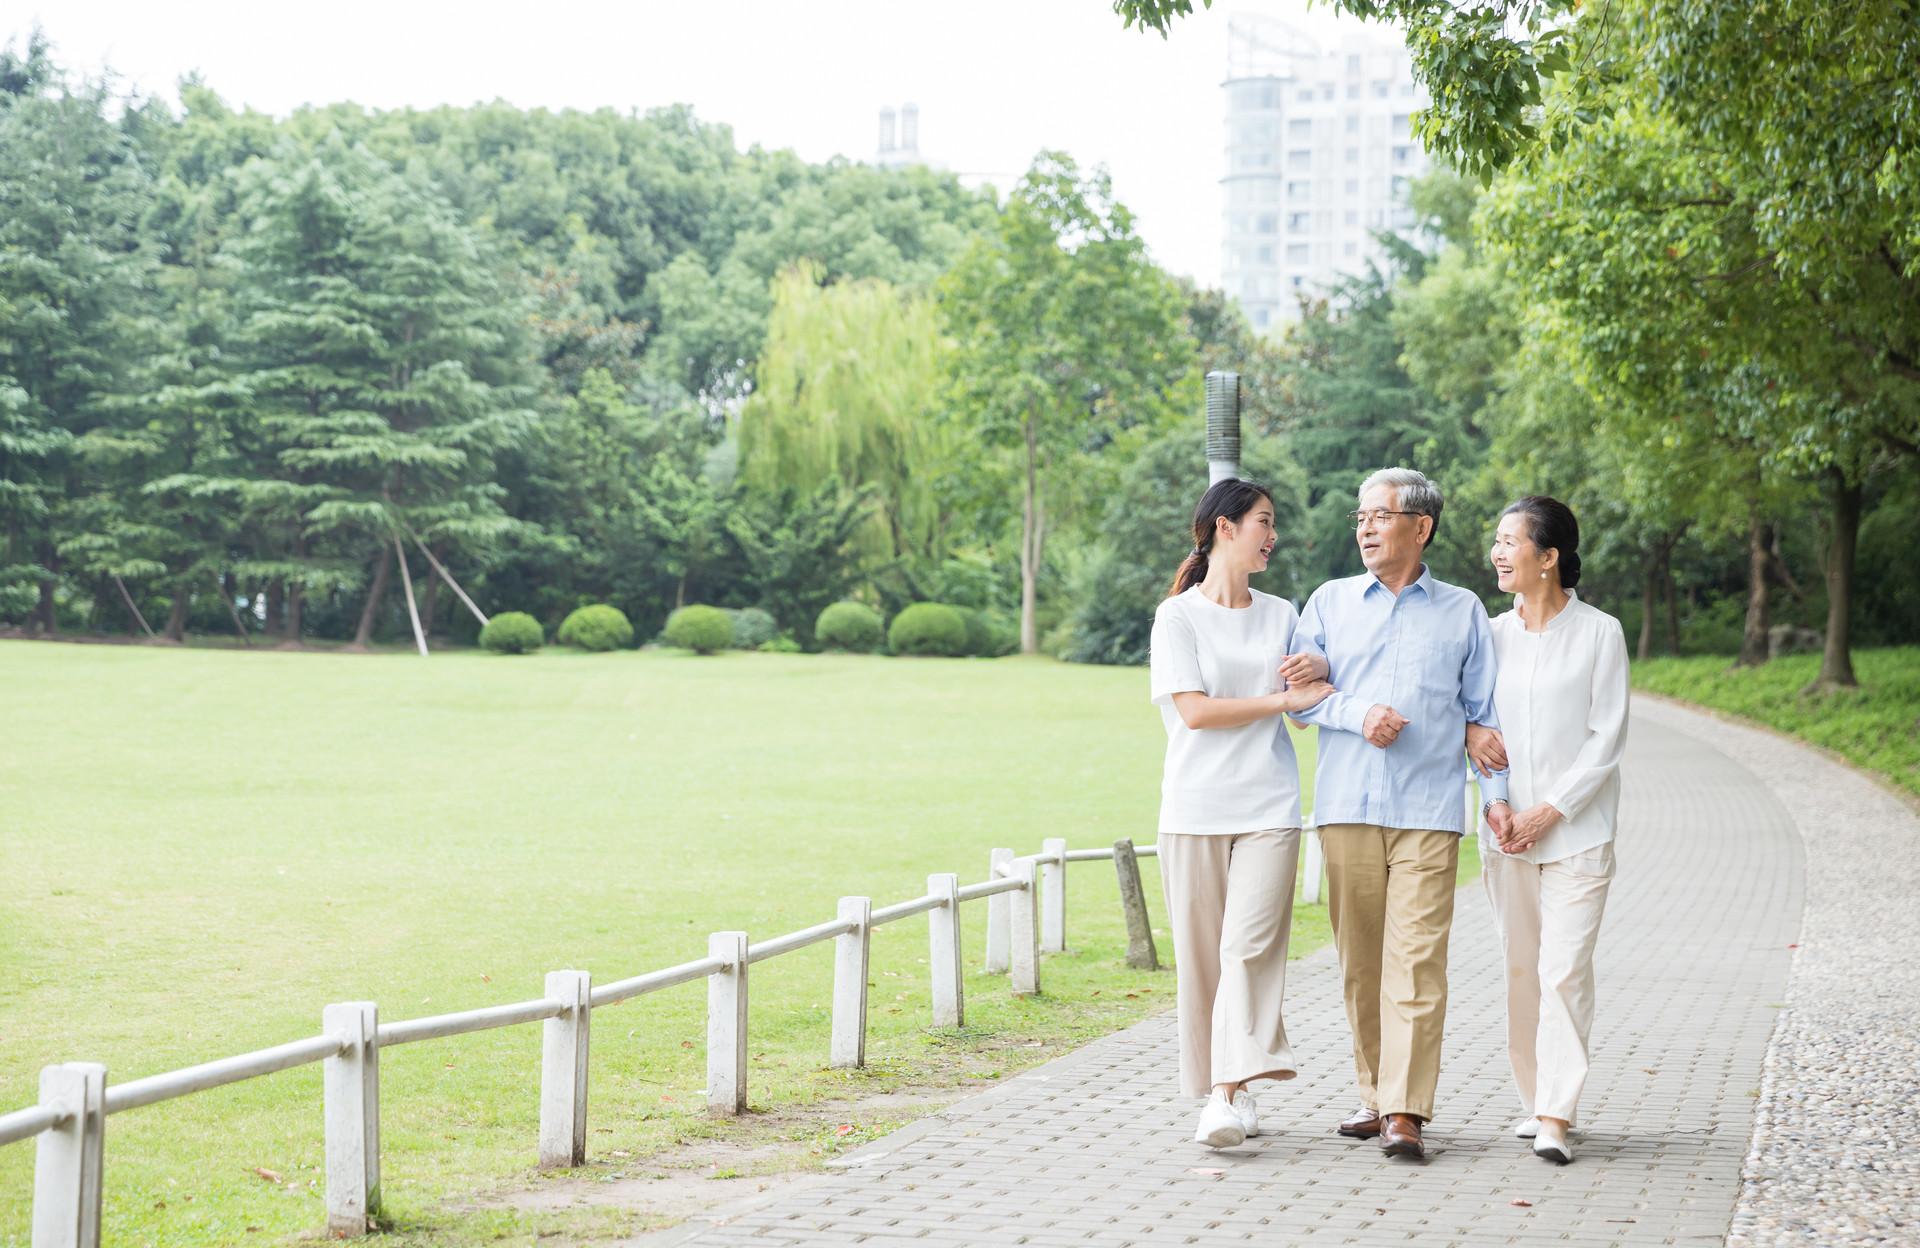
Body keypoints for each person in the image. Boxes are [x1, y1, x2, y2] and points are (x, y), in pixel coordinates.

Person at [1279, 466, 1507, 1161]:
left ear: (1420, 526)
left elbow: (1484, 716)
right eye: (1360, 518)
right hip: (1346, 805)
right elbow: (1300, 693)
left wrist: (1495, 802)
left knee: (1416, 961)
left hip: (1430, 810)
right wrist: (1357, 711)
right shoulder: (1328, 602)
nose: (1366, 529)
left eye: (1378, 516)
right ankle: (1375, 1095)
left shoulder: (1464, 610)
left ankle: (1406, 1110)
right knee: (1361, 964)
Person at [1149, 478, 1334, 1149]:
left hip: (1269, 806)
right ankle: (1232, 1091)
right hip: (1194, 809)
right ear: (1223, 527)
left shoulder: (1284, 613)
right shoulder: (1178, 618)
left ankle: (1223, 1097)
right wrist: (1279, 702)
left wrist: (1316, 673)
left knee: (1246, 951)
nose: (1272, 534)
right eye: (1264, 521)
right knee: (1204, 962)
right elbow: (1194, 712)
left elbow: (1309, 707)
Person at [1479, 496, 1629, 1165]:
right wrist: (1500, 803)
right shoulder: (1489, 635)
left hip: (1577, 834)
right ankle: (1534, 1093)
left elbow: (1606, 740)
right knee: (1521, 971)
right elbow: (1480, 731)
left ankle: (1556, 1115)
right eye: (1498, 540)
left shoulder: (1601, 633)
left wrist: (1551, 810)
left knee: (1564, 971)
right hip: (1506, 834)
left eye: (1513, 542)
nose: (1499, 553)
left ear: (1551, 558)